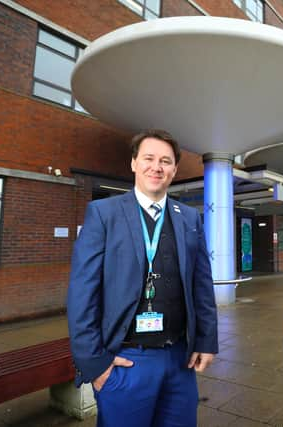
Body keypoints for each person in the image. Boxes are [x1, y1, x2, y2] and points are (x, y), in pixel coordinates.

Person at [67, 129, 218, 427]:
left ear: (174, 169)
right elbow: (82, 291)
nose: (156, 167)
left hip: (179, 360)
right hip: (126, 360)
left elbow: (202, 283)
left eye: (165, 161)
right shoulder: (103, 213)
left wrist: (206, 340)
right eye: (148, 158)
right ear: (134, 163)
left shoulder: (189, 217)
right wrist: (95, 364)